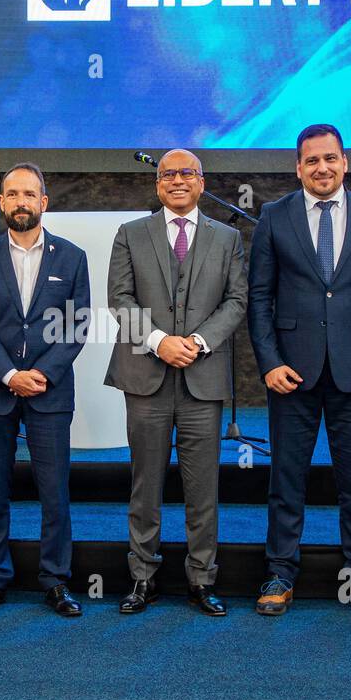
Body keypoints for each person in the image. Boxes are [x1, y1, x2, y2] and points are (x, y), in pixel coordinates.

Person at [248, 123, 351, 616]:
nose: (322, 167)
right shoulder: (274, 216)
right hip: (290, 375)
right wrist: (270, 363)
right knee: (286, 479)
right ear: (298, 167)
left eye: (330, 158)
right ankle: (279, 574)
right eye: (312, 160)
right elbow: (258, 300)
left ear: (345, 162)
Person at [104, 149, 247, 615]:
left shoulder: (227, 238)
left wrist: (200, 342)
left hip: (202, 381)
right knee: (145, 485)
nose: (178, 180)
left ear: (202, 182)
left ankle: (202, 580)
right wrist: (160, 340)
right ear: (158, 184)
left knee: (202, 488)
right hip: (145, 377)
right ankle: (142, 577)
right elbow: (119, 299)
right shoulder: (130, 234)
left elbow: (236, 301)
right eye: (169, 174)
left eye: (187, 173)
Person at [0, 163, 90, 617]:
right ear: (1, 202)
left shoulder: (72, 257)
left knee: (53, 492)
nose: (21, 202)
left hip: (49, 392)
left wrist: (42, 374)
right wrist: (9, 375)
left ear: (44, 202)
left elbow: (77, 325)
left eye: (29, 194)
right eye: (12, 194)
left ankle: (56, 581)